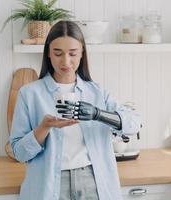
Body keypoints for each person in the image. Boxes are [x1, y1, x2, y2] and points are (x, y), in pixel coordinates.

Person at [10, 20, 141, 200]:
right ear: (48, 53)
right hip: (49, 186)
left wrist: (98, 113)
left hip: (93, 182)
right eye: (58, 53)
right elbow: (19, 153)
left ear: (82, 54)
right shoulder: (29, 94)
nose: (66, 61)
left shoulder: (97, 92)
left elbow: (135, 123)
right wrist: (43, 128)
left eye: (73, 53)